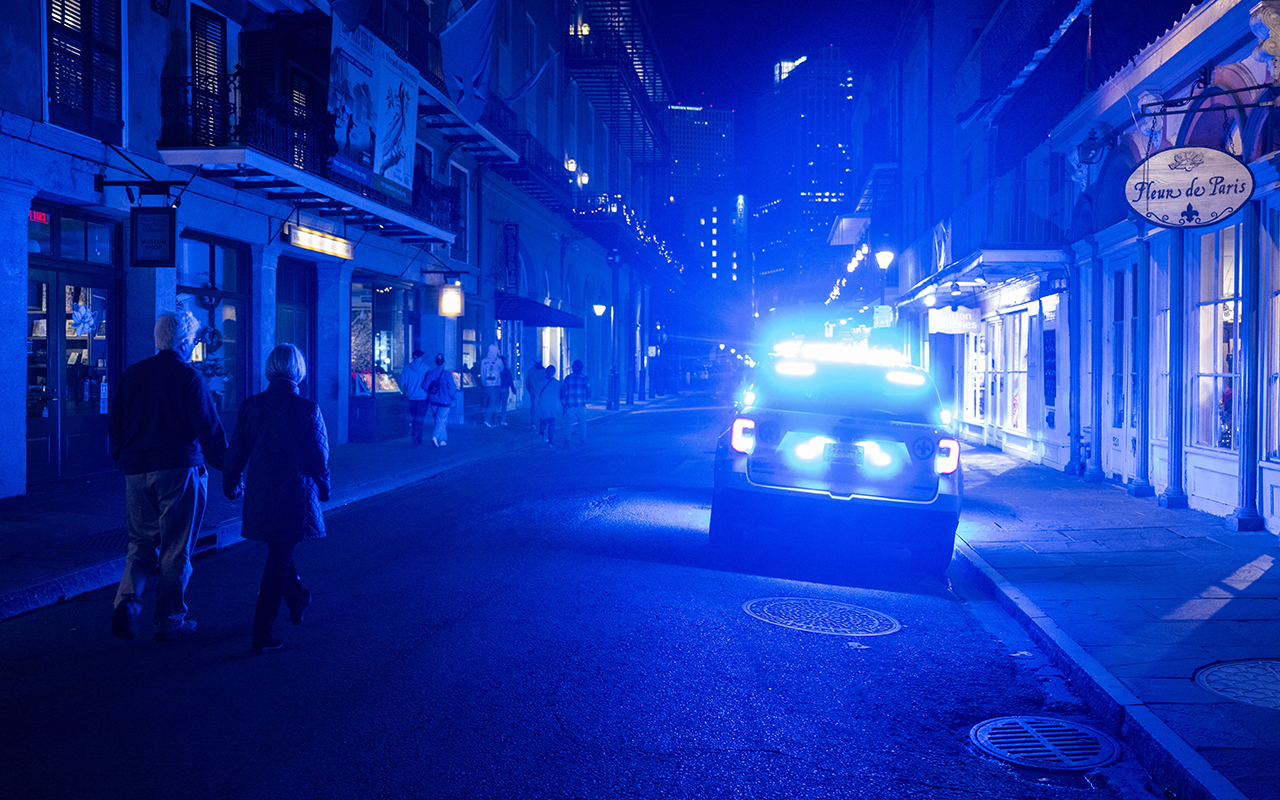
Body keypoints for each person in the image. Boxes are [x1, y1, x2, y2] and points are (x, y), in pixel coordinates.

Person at [109, 311, 227, 643]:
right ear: (184, 342)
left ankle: (128, 601)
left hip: (136, 470)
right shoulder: (188, 376)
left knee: (140, 545)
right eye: (193, 342)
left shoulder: (133, 374)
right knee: (176, 548)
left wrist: (121, 457)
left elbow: (115, 423)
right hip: (178, 468)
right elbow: (209, 430)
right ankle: (169, 619)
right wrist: (228, 468)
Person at [223, 344, 330, 654]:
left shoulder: (250, 406)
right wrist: (324, 487)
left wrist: (231, 484)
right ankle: (262, 631)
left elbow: (236, 451)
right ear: (298, 370)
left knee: (280, 549)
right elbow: (318, 457)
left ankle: (297, 598)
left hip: (260, 493)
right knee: (278, 558)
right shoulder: (307, 408)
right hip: (294, 494)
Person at [425, 353, 458, 446]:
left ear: (436, 362)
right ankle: (435, 436)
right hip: (444, 401)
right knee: (442, 420)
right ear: (443, 362)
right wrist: (452, 397)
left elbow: (425, 386)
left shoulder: (431, 373)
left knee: (438, 420)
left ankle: (442, 440)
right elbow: (452, 388)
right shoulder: (447, 374)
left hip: (433, 401)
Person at [400, 349, 430, 445]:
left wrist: (407, 389)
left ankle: (418, 439)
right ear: (420, 358)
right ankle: (415, 434)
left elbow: (402, 382)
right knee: (420, 418)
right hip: (422, 397)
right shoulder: (426, 368)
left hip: (411, 397)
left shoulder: (407, 368)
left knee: (414, 418)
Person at [560, 359, 590, 446]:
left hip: (570, 405)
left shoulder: (568, 378)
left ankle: (567, 442)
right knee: (582, 424)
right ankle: (583, 441)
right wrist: (586, 400)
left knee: (569, 424)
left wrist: (564, 402)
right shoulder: (585, 378)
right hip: (581, 404)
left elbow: (564, 391)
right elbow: (588, 391)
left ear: (573, 368)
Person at [536, 364, 565, 447]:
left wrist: (537, 405)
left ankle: (541, 435)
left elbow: (537, 394)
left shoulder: (541, 382)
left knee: (543, 421)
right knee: (552, 423)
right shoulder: (558, 383)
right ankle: (550, 441)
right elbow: (561, 395)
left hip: (543, 404)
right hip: (554, 405)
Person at [481, 344, 503, 427]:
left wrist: (483, 383)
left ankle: (494, 420)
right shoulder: (498, 361)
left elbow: (482, 373)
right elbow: (501, 369)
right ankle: (488, 419)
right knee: (493, 403)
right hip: (496, 384)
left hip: (486, 384)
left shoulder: (483, 361)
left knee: (487, 402)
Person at [525, 358, 546, 431]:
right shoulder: (544, 371)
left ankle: (533, 423)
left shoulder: (530, 371)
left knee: (534, 407)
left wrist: (530, 391)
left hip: (533, 392)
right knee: (542, 408)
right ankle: (541, 423)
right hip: (542, 393)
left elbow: (527, 384)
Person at [498, 355, 516, 426]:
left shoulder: (497, 370)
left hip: (498, 388)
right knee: (504, 405)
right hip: (505, 388)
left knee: (497, 404)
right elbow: (510, 380)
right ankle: (503, 420)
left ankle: (494, 419)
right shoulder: (506, 370)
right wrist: (513, 388)